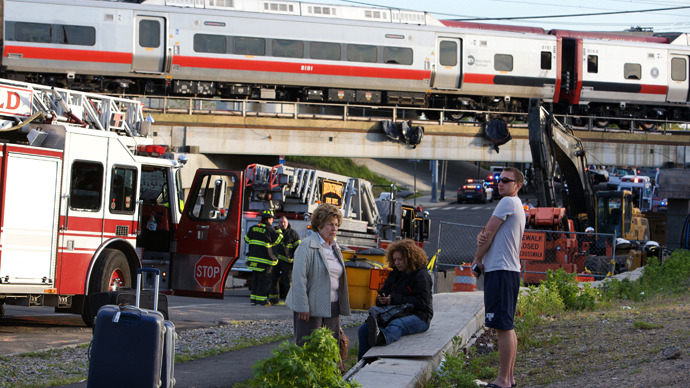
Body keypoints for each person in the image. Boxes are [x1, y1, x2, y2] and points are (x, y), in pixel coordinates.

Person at [472, 167, 525, 388]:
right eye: (498, 180)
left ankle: (503, 380)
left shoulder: (507, 202)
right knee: (507, 326)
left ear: (518, 185)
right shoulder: (517, 205)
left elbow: (489, 232)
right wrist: (483, 236)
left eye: (505, 180)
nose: (500, 183)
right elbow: (487, 233)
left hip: (501, 271)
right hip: (509, 270)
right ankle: (508, 378)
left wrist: (476, 260)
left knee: (502, 326)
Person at [285, 203, 350, 347]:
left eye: (336, 224)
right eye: (330, 225)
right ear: (319, 226)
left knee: (330, 348)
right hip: (310, 308)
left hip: (333, 306)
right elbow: (298, 278)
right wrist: (302, 305)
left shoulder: (335, 247)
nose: (334, 229)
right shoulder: (307, 246)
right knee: (309, 347)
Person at [357, 239, 433, 360]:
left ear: (410, 258)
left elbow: (422, 303)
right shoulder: (394, 274)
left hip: (420, 316)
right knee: (363, 330)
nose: (397, 263)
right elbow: (384, 293)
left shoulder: (422, 276)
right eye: (395, 259)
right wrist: (381, 300)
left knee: (396, 325)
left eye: (400, 259)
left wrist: (394, 299)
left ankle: (381, 337)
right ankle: (362, 362)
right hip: (396, 311)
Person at [245, 210, 283, 306]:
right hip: (265, 261)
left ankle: (253, 300)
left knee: (255, 280)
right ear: (269, 219)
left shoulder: (253, 228)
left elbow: (246, 239)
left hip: (253, 260)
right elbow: (278, 240)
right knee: (264, 282)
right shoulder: (270, 230)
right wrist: (278, 230)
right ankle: (262, 301)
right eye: (272, 219)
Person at [268, 216, 301, 304]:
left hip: (288, 262)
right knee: (273, 280)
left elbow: (298, 248)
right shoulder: (275, 233)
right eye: (280, 222)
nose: (282, 224)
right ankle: (273, 299)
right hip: (275, 261)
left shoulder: (293, 234)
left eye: (284, 222)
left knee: (288, 281)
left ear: (287, 223)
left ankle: (289, 300)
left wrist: (295, 260)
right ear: (278, 223)